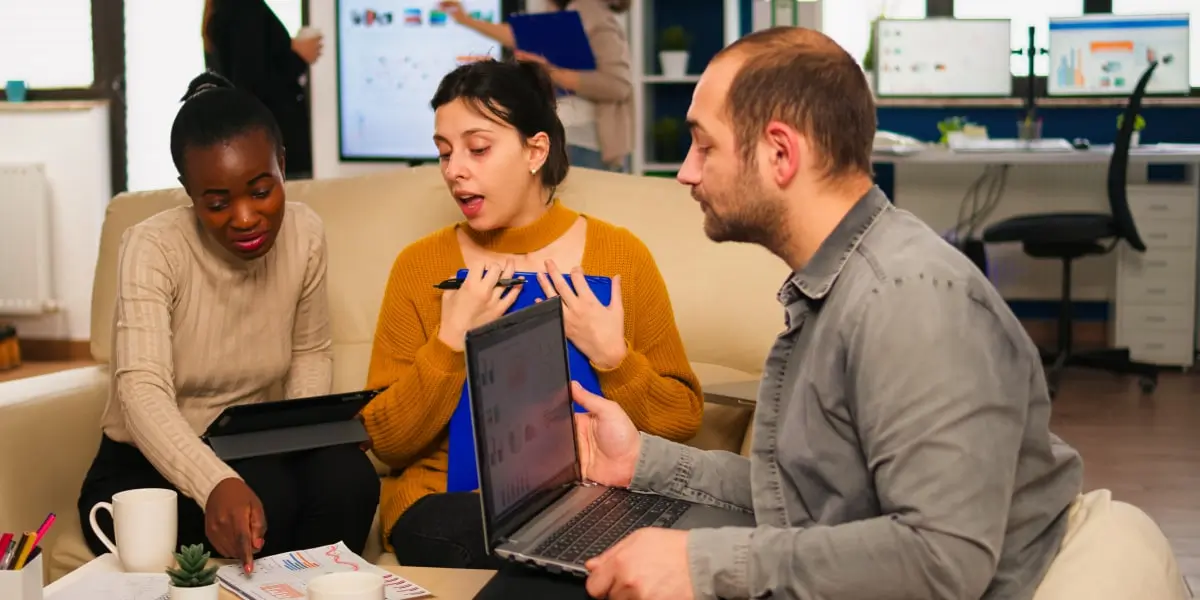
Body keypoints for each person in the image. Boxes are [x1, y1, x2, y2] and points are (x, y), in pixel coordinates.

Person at [568, 27, 1089, 599]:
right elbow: (805, 496)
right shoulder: (835, 286)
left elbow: (943, 561)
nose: (686, 172)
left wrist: (703, 563)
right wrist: (644, 462)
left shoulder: (908, 302)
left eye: (705, 145)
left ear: (780, 153)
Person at [358, 58, 702, 568]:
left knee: (608, 543)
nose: (455, 170)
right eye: (444, 152)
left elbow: (682, 421)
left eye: (478, 149)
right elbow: (386, 442)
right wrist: (450, 343)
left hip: (587, 500)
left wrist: (613, 358)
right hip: (448, 511)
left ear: (535, 150)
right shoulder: (420, 267)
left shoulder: (620, 255)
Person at [77, 72, 379, 573]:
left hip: (251, 451)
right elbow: (141, 390)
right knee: (269, 500)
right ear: (189, 192)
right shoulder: (152, 247)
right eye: (216, 203)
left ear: (282, 165)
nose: (244, 217)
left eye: (261, 192)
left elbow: (309, 350)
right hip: (148, 468)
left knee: (349, 476)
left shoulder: (305, 233)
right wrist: (212, 482)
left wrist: (305, 439)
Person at [439, 0, 634, 172]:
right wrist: (464, 19)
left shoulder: (595, 19)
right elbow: (517, 36)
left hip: (587, 146)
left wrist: (552, 73)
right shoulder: (562, 14)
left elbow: (618, 86)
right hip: (557, 139)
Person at [202, 0, 321, 178]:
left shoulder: (223, 8)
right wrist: (298, 57)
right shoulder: (243, 7)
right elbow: (252, 84)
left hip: (258, 148)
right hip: (273, 148)